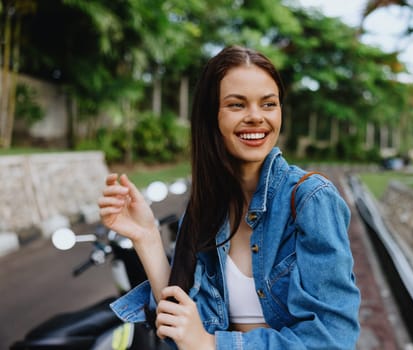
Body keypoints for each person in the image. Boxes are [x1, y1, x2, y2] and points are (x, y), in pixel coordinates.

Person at [98, 45, 360, 349]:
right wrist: (147, 238)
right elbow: (181, 330)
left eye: (268, 104)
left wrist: (213, 344)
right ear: (212, 117)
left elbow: (333, 339)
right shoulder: (204, 210)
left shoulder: (310, 200)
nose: (255, 117)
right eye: (237, 105)